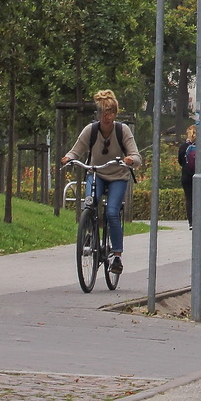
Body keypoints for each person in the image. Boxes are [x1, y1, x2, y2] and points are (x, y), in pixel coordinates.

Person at [61, 90, 141, 274]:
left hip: (117, 176)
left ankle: (117, 256)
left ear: (115, 114)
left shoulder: (122, 130)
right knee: (90, 204)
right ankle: (89, 233)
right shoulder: (91, 130)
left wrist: (130, 160)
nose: (106, 116)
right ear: (97, 114)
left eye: (110, 112)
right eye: (103, 113)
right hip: (96, 174)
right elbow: (76, 151)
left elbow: (136, 156)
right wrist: (68, 158)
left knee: (112, 212)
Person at [177, 125, 201, 228]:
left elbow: (180, 161)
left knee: (189, 198)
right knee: (200, 198)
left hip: (186, 176)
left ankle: (191, 222)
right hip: (200, 175)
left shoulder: (183, 147)